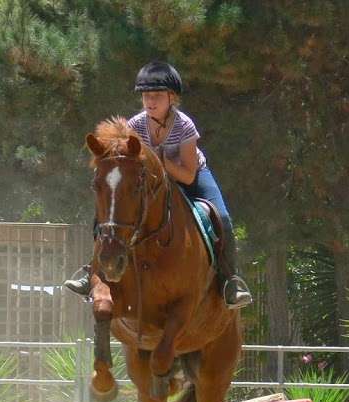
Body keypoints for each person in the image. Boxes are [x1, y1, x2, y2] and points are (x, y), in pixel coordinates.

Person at [65, 61, 253, 309]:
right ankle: (93, 271)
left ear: (171, 97)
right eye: (145, 96)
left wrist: (162, 162)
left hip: (191, 176)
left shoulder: (185, 125)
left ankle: (230, 280)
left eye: (156, 96)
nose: (149, 101)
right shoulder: (135, 126)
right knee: (108, 213)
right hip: (155, 182)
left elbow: (187, 175)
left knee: (223, 218)